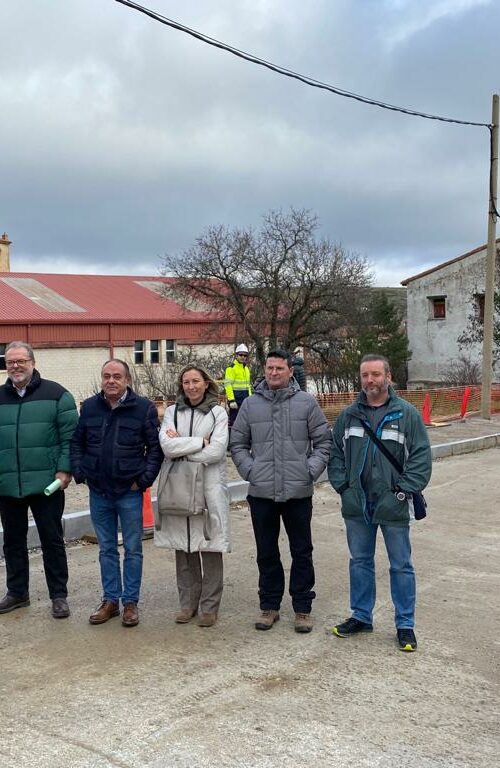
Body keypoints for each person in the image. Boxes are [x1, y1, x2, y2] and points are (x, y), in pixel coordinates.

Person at [328, 354, 432, 652]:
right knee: (360, 561)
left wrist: (402, 490)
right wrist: (344, 487)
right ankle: (361, 616)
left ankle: (405, 625)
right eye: (365, 375)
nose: (370, 380)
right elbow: (335, 454)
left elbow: (421, 457)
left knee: (401, 565)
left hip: (393, 503)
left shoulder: (406, 414)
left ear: (388, 377)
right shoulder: (349, 415)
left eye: (375, 374)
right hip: (357, 503)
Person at [231, 348, 331, 633]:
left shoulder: (306, 403)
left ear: (290, 371)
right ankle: (269, 605)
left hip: (298, 492)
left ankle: (302, 608)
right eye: (269, 368)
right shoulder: (250, 405)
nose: (273, 372)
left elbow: (323, 442)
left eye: (279, 368)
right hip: (261, 492)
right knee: (266, 551)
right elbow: (238, 444)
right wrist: (251, 471)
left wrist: (308, 471)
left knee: (302, 551)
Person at [70, 359, 163, 627]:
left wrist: (143, 480)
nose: (111, 381)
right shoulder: (90, 407)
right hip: (99, 491)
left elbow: (154, 449)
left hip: (129, 492)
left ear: (127, 380)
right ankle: (110, 600)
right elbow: (77, 442)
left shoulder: (143, 408)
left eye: (117, 376)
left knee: (133, 548)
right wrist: (81, 472)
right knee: (107, 549)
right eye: (106, 376)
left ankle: (130, 602)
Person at [0, 341, 78, 619]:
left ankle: (58, 595)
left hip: (47, 484)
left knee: (52, 540)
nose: (15, 366)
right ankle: (17, 592)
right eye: (10, 362)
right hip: (8, 484)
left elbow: (70, 439)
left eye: (21, 361)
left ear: (33, 362)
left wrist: (64, 470)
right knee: (12, 542)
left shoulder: (57, 395)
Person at [155, 365, 230, 627]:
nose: (191, 386)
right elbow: (166, 446)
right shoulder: (172, 412)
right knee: (183, 545)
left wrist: (182, 448)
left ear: (206, 383)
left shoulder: (218, 413)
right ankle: (187, 603)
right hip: (178, 487)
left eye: (196, 381)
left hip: (208, 487)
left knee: (209, 545)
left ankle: (209, 606)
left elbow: (217, 451)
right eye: (186, 382)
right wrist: (199, 442)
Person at [224, 344, 252, 429]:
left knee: (246, 422)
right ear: (236, 355)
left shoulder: (246, 369)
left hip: (245, 399)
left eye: (245, 355)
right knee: (234, 423)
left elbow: (248, 385)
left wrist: (250, 397)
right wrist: (231, 400)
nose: (243, 357)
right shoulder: (231, 369)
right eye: (241, 355)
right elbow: (228, 385)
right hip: (235, 400)